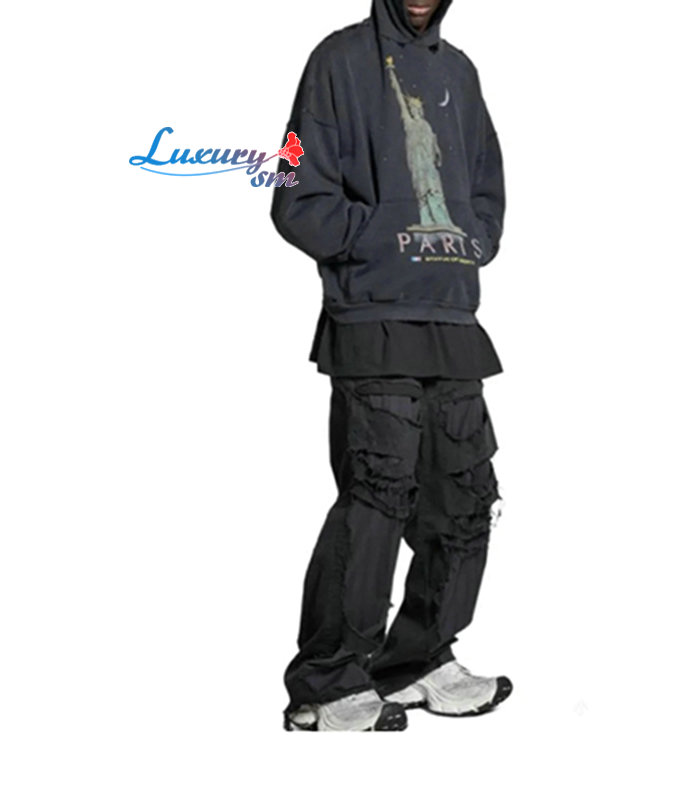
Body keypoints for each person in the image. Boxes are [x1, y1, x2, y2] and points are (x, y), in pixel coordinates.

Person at [271, 0, 511, 732]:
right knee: (378, 496)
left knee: (465, 499)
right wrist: (379, 237)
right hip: (372, 317)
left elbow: (486, 189)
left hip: (452, 317)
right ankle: (327, 683)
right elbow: (295, 197)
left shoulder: (460, 73)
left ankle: (417, 659)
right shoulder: (337, 60)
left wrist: (466, 239)